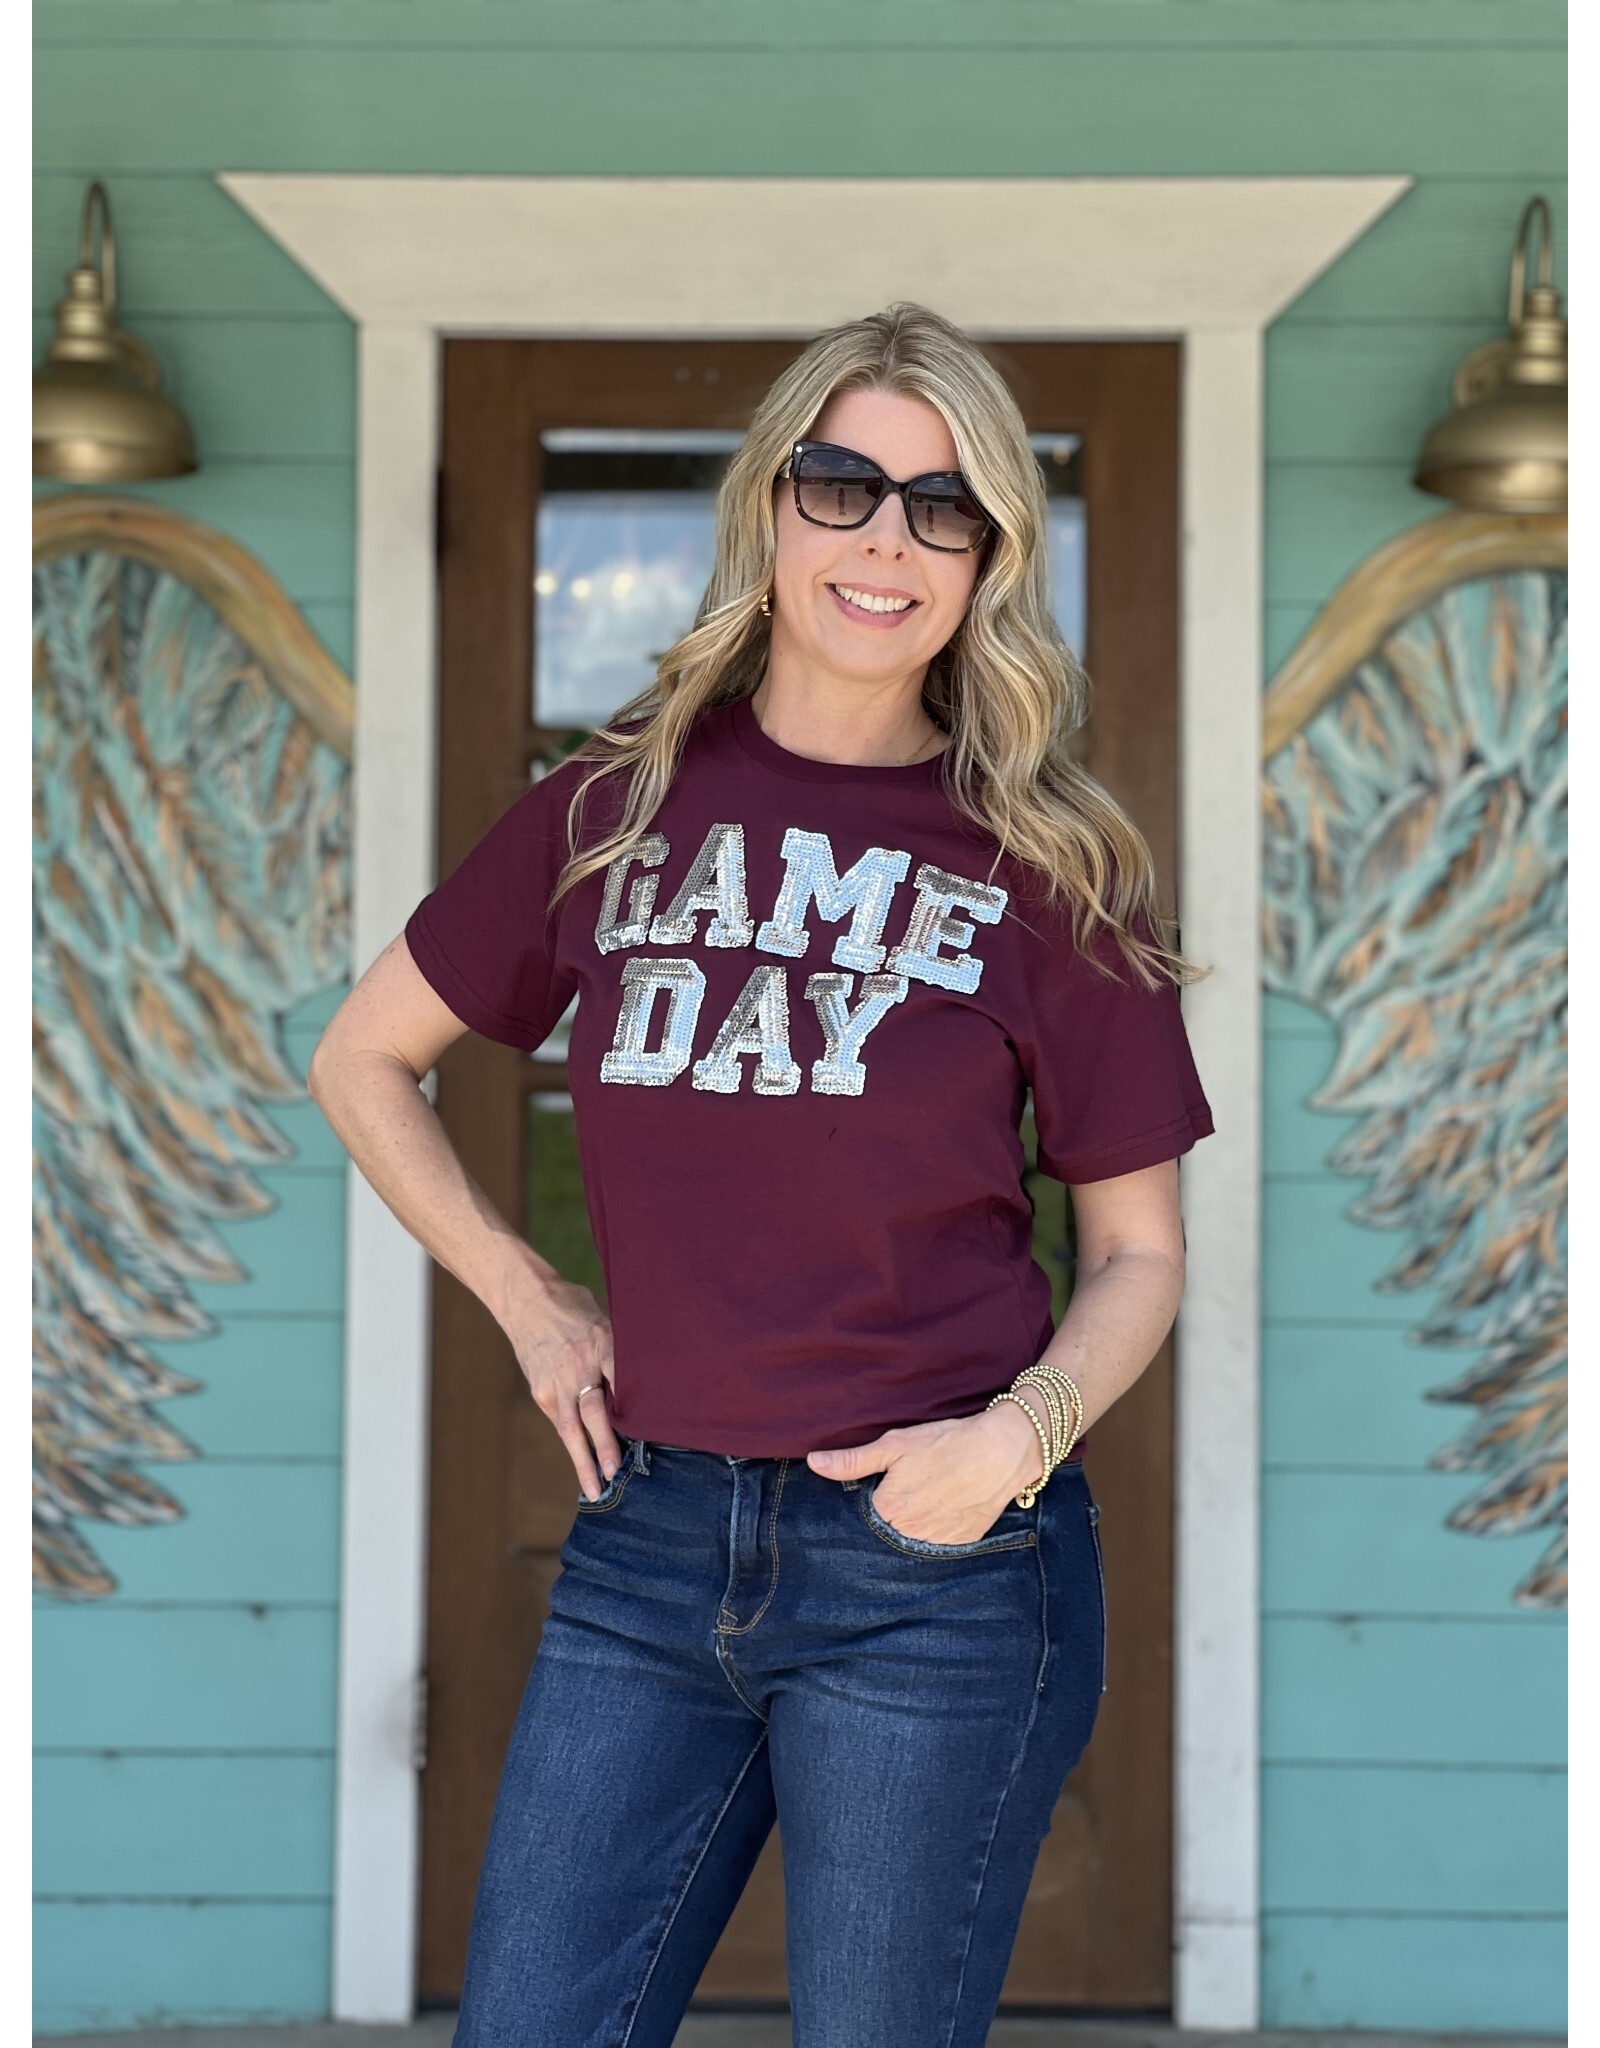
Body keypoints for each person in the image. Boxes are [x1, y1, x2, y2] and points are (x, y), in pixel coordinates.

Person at [309, 300, 1215, 2048]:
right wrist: (532, 1295)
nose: (886, 539)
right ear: (771, 508)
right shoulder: (611, 811)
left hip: (935, 1565)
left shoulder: (1052, 866)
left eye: (942, 507)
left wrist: (1012, 1445)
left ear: (988, 558)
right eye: (843, 485)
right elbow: (363, 1060)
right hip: (649, 1542)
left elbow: (1140, 1253)